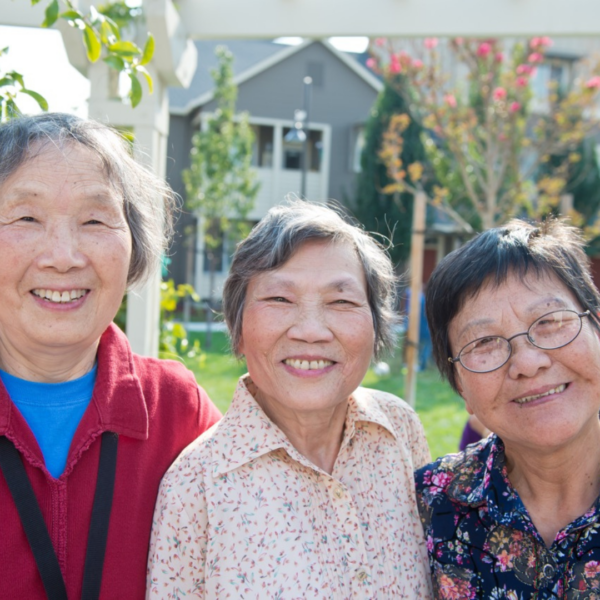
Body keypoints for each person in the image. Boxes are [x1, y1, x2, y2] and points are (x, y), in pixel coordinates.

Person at [147, 200, 433, 599]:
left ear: (375, 326)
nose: (311, 331)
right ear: (239, 327)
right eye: (280, 300)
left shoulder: (399, 430)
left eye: (342, 302)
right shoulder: (195, 486)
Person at [0, 113, 221, 599]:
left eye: (95, 220)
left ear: (134, 245)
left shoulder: (177, 412)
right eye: (27, 218)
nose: (63, 256)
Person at [415, 218, 600, 598]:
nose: (528, 362)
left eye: (549, 321)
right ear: (459, 386)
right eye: (484, 342)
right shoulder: (428, 511)